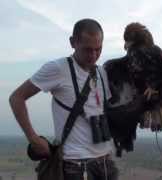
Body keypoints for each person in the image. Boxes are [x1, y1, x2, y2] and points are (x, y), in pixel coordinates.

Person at [9, 18, 118, 180]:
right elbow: (16, 97)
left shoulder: (102, 73)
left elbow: (107, 110)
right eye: (88, 50)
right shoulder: (58, 68)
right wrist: (33, 138)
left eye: (98, 49)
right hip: (75, 167)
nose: (94, 55)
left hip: (105, 163)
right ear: (73, 42)